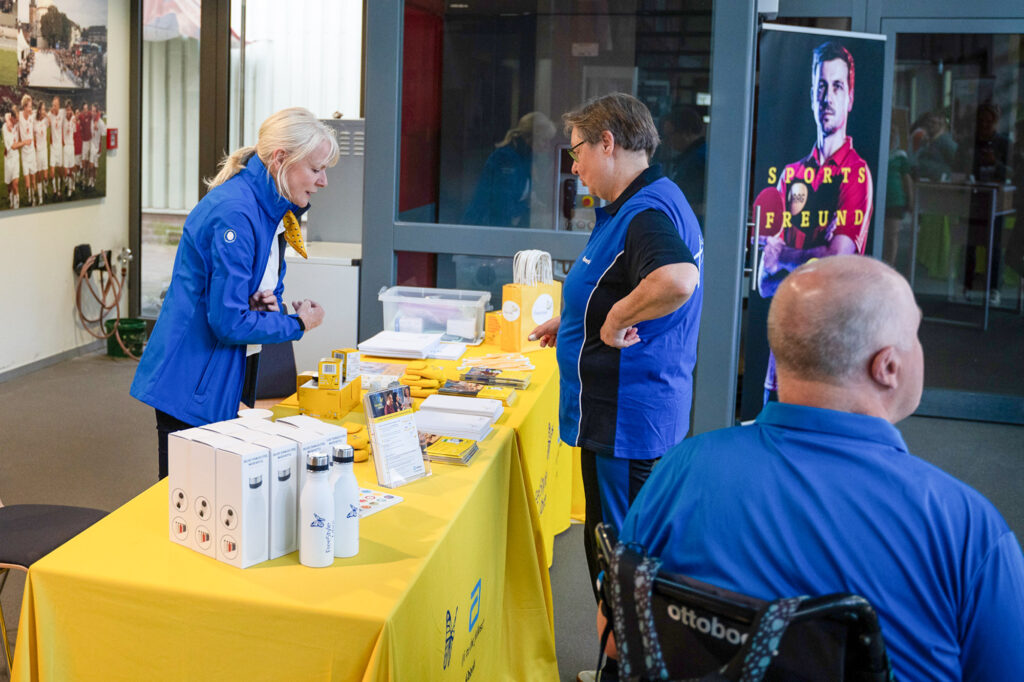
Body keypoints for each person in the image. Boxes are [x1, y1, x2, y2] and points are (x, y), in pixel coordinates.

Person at [599, 256, 1024, 681]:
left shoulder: (680, 470)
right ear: (888, 367)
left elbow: (616, 636)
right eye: (914, 335)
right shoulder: (966, 529)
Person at [529, 93, 703, 607]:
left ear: (608, 143)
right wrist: (583, 316)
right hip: (631, 410)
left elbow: (676, 279)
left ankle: (623, 663)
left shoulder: (645, 213)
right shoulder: (648, 200)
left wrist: (615, 319)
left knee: (618, 552)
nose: (575, 164)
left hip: (625, 414)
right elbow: (628, 277)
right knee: (620, 544)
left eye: (578, 150)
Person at [131, 107, 337, 479]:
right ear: (280, 159)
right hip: (190, 380)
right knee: (186, 500)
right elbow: (228, 322)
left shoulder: (269, 210)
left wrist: (261, 305)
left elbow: (237, 295)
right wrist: (297, 324)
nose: (323, 182)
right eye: (316, 169)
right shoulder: (236, 214)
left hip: (215, 374)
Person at [757, 40, 873, 404]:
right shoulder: (789, 175)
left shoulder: (856, 174)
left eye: (837, 86)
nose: (827, 96)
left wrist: (784, 255)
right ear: (810, 95)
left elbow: (835, 263)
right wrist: (809, 256)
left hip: (828, 360)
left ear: (850, 97)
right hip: (780, 364)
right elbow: (763, 279)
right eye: (821, 86)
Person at [955, 101, 1011, 304]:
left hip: (996, 202)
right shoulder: (967, 143)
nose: (985, 125)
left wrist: (995, 164)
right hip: (973, 198)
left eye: (990, 121)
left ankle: (993, 288)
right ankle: (965, 285)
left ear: (996, 122)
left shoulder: (1005, 144)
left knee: (993, 246)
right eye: (982, 121)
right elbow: (957, 168)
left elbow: (1013, 174)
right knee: (968, 244)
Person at [462, 112, 556, 228]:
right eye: (544, 140)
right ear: (529, 138)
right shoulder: (507, 159)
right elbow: (502, 206)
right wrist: (527, 205)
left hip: (501, 226)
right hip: (484, 227)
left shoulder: (525, 159)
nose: (548, 145)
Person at [17, 94, 37, 206]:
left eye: (31, 107)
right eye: (29, 107)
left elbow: (41, 114)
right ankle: (29, 197)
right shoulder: (19, 116)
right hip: (24, 154)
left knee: (33, 177)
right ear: (24, 107)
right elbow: (8, 115)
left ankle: (33, 198)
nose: (31, 109)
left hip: (32, 153)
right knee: (27, 181)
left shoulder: (32, 116)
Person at [3, 109, 22, 209]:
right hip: (8, 159)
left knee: (15, 184)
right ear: (12, 118)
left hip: (15, 158)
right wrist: (24, 143)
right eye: (16, 120)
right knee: (9, 185)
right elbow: (12, 146)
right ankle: (11, 200)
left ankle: (16, 206)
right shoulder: (5, 128)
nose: (18, 121)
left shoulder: (16, 124)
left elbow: (8, 114)